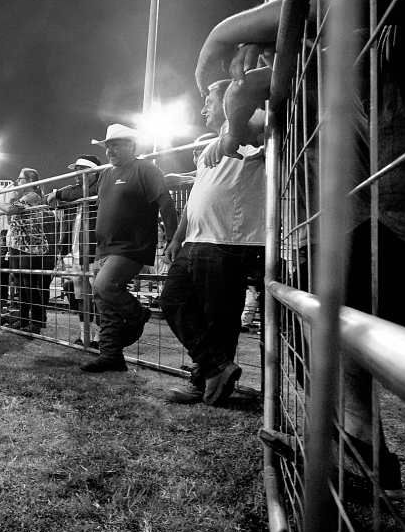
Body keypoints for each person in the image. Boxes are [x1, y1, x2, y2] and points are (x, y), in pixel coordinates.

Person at [163, 0, 405, 491]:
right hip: (378, 209)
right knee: (322, 300)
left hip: (384, 203)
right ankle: (357, 448)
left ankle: (347, 444)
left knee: (329, 298)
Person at [161, 81, 267, 406]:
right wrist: (177, 237)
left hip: (228, 238)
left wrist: (228, 131)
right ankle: (215, 368)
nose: (203, 107)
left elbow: (260, 129)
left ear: (229, 100)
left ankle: (206, 381)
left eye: (209, 100)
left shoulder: (251, 121)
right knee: (172, 300)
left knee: (217, 317)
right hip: (197, 239)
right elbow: (197, 198)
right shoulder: (214, 143)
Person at [85, 124, 178, 372]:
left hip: (132, 247)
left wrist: (172, 239)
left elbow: (166, 204)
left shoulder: (146, 169)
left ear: (132, 146)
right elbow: (83, 193)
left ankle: (139, 314)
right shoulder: (106, 174)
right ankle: (111, 356)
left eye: (116, 144)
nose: (110, 150)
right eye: (108, 146)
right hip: (105, 248)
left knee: (104, 286)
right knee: (103, 299)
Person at [46, 155, 102, 346]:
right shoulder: (77, 192)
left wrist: (57, 193)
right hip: (77, 252)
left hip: (96, 251)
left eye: (81, 170)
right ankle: (84, 335)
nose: (77, 175)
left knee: (98, 296)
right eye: (76, 171)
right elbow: (70, 195)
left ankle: (99, 337)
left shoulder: (100, 186)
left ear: (93, 171)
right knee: (80, 296)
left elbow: (81, 192)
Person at [0, 168, 49, 334]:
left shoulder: (33, 196)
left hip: (30, 248)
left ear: (29, 181)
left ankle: (35, 322)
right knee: (21, 284)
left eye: (20, 178)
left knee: (29, 285)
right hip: (17, 246)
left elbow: (10, 209)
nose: (17, 181)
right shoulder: (23, 197)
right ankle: (22, 320)